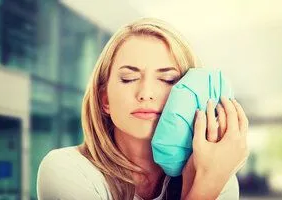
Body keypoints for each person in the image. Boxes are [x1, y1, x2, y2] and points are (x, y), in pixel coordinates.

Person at [37, 18, 249, 200]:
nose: (146, 93)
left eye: (168, 79)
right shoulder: (66, 170)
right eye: (129, 78)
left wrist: (206, 175)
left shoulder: (220, 174)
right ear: (105, 100)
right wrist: (207, 185)